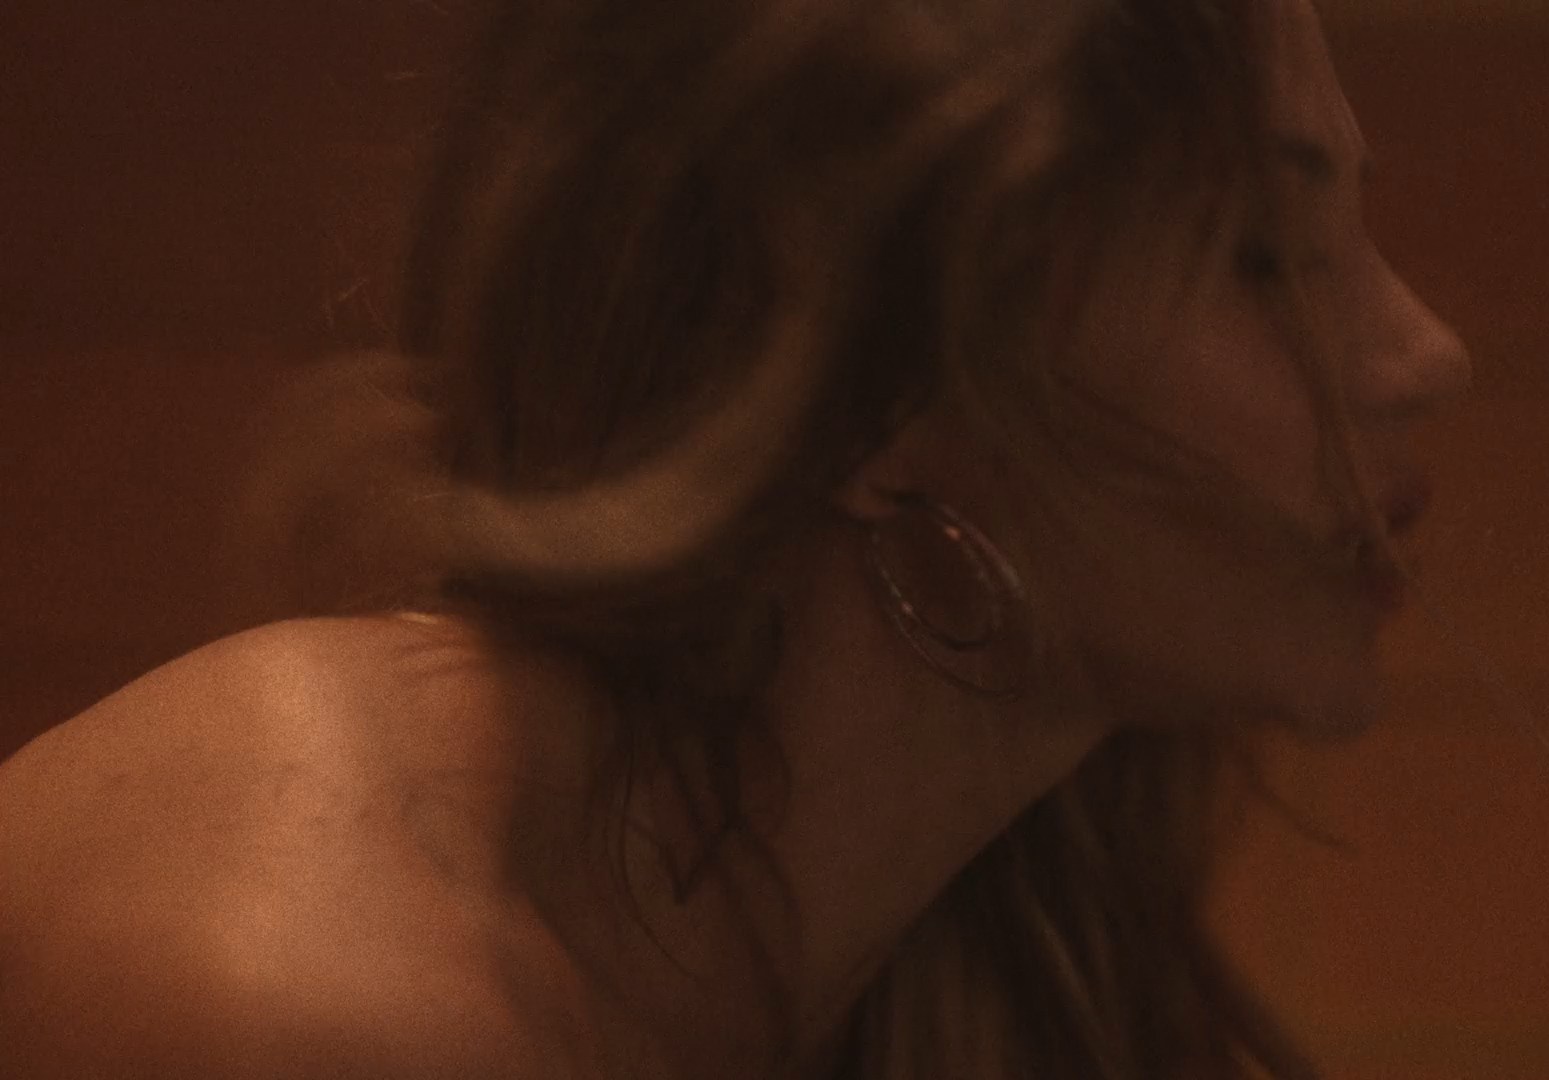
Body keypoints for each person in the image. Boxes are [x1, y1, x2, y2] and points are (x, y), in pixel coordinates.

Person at [0, 0, 1470, 1075]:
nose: (1428, 352)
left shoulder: (946, 953)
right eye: (1269, 256)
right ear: (873, 382)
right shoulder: (318, 999)